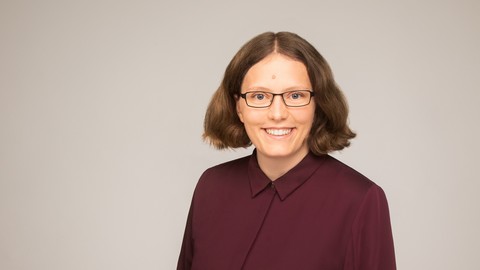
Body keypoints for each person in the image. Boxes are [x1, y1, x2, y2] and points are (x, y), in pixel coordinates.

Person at [177, 31, 396, 270]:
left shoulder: (360, 200)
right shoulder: (211, 186)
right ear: (238, 107)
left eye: (295, 95)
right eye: (259, 96)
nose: (278, 114)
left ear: (317, 105)